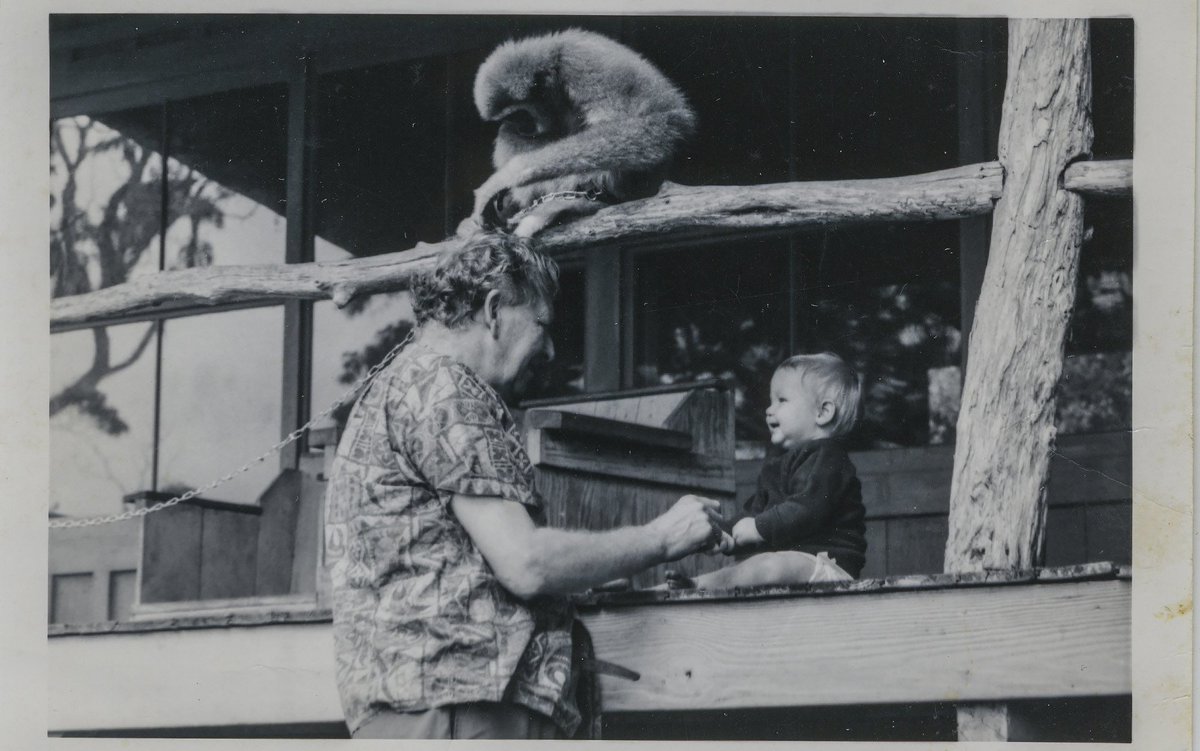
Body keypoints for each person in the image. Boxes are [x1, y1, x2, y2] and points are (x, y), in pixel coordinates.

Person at [323, 232, 724, 740]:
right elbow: (526, 563)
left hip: (423, 711)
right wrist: (663, 539)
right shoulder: (447, 388)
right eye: (542, 324)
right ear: (494, 310)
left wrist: (587, 571)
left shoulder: (396, 388)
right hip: (463, 713)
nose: (550, 349)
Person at [668, 352, 867, 590]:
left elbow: (805, 509)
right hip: (790, 563)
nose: (769, 410)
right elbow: (755, 512)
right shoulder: (778, 463)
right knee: (752, 566)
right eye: (771, 401)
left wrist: (758, 527)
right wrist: (727, 534)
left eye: (781, 400)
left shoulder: (828, 457)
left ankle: (701, 586)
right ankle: (695, 585)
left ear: (822, 413)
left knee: (766, 566)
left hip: (827, 566)